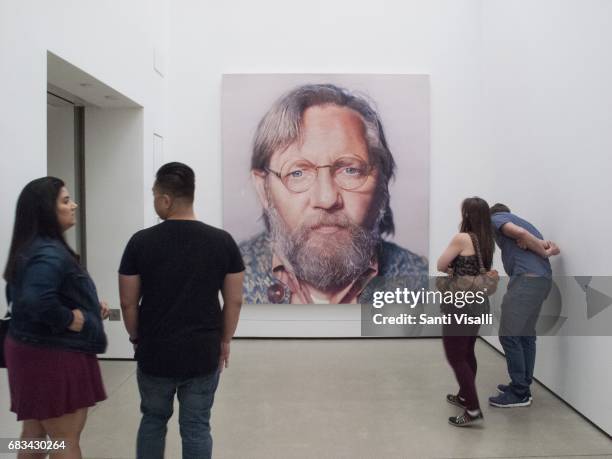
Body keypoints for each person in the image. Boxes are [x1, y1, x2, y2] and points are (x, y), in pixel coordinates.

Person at [240, 83, 428, 304]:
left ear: (383, 183)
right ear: (264, 189)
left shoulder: (426, 285)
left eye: (350, 170)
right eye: (298, 172)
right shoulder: (222, 276)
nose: (327, 199)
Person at [119, 162, 245, 459]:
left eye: (155, 196)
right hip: (202, 352)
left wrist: (138, 337)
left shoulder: (140, 242)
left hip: (155, 351)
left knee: (152, 420)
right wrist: (224, 340)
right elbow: (234, 300)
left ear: (165, 199)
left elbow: (127, 302)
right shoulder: (222, 242)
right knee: (197, 427)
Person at [3, 177, 108, 459]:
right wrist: (70, 319)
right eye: (65, 200)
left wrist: (85, 307)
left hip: (33, 349)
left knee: (35, 436)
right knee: (64, 440)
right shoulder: (48, 252)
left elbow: (31, 296)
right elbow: (36, 300)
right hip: (54, 353)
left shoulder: (32, 247)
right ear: (45, 210)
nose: (73, 205)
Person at [488, 203, 560, 408]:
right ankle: (522, 386)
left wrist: (537, 246)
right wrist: (534, 243)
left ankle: (519, 392)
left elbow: (518, 232)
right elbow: (545, 243)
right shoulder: (527, 225)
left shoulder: (496, 219)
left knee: (509, 335)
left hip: (526, 282)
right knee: (525, 335)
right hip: (541, 282)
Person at [436, 197, 496, 426]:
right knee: (468, 350)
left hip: (459, 303)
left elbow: (441, 265)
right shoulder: (487, 239)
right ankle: (464, 395)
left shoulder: (462, 238)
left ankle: (472, 409)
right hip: (478, 302)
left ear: (467, 215)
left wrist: (453, 266)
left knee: (455, 355)